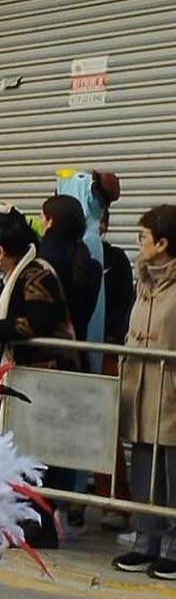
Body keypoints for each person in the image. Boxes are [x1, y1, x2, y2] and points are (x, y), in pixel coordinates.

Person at [0, 209, 74, 545]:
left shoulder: (37, 274)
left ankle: (39, 524)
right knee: (0, 444)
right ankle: (5, 518)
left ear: (2, 249)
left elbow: (36, 322)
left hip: (40, 377)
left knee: (34, 452)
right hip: (4, 376)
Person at [113, 205, 176, 578]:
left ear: (163, 243)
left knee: (172, 470)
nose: (139, 244)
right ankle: (146, 541)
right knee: (143, 468)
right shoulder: (145, 282)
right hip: (140, 389)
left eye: (143, 238)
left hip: (170, 392)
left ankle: (173, 546)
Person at [39, 193, 102, 342]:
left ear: (50, 222)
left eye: (41, 217)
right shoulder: (90, 265)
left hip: (42, 349)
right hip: (75, 347)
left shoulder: (39, 260)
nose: (39, 222)